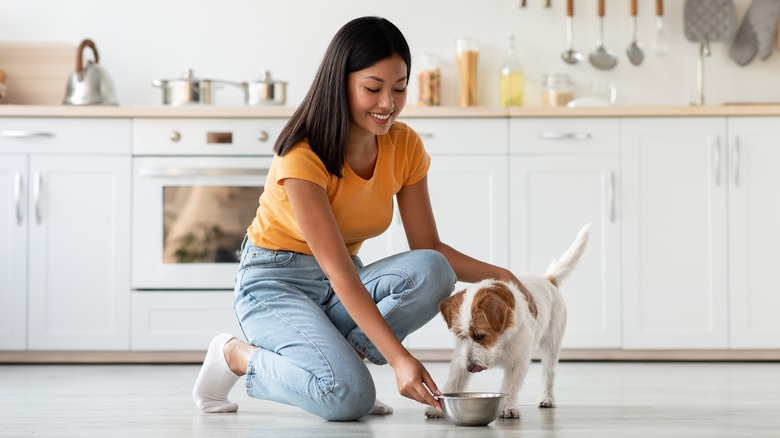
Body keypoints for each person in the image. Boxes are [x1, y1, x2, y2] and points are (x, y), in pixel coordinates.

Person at [192, 15, 534, 421]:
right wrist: (400, 359)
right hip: (274, 283)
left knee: (434, 270)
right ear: (341, 83)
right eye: (373, 88)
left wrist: (505, 277)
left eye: (399, 87)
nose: (388, 103)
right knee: (348, 398)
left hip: (338, 286)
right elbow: (340, 273)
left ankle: (340, 363)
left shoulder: (403, 145)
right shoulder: (303, 153)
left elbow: (429, 248)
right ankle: (236, 356)